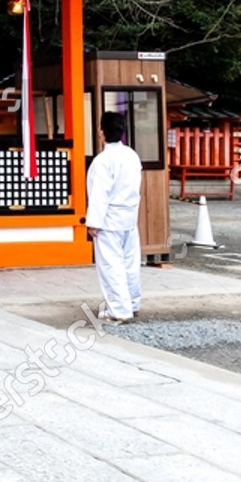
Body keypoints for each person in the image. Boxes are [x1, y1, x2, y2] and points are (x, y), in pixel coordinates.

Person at [86, 110, 144, 323]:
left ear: (102, 132)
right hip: (129, 217)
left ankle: (119, 309)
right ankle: (132, 302)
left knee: (112, 265)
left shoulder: (103, 161)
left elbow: (99, 194)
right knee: (130, 262)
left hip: (109, 219)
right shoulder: (132, 155)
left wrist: (94, 222)